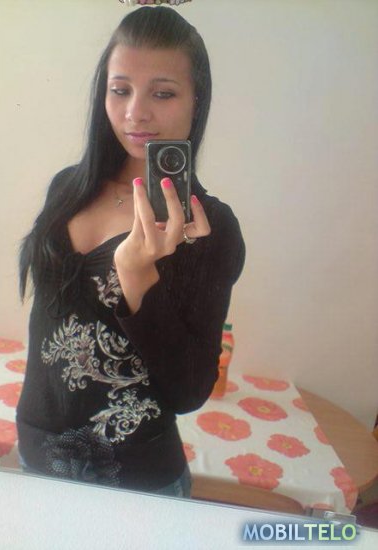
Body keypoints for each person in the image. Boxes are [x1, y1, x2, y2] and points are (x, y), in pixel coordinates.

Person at [17, 6, 245, 498]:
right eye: (120, 90)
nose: (135, 113)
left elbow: (189, 391)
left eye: (162, 93)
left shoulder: (207, 227)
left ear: (196, 101)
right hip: (36, 456)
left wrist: (137, 278)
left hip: (136, 483)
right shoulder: (68, 188)